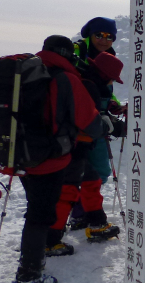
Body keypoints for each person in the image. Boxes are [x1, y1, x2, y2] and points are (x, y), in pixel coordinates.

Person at [13, 35, 106, 283]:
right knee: (40, 214)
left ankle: (35, 258)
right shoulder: (66, 78)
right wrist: (106, 126)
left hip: (20, 154)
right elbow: (88, 120)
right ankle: (29, 277)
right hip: (49, 157)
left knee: (36, 208)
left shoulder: (25, 72)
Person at [45, 53, 125, 255]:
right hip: (74, 144)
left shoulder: (85, 81)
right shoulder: (89, 86)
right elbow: (90, 119)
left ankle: (97, 224)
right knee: (68, 190)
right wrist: (114, 127)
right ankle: (50, 241)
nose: (112, 81)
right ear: (105, 74)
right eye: (112, 77)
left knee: (91, 179)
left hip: (71, 142)